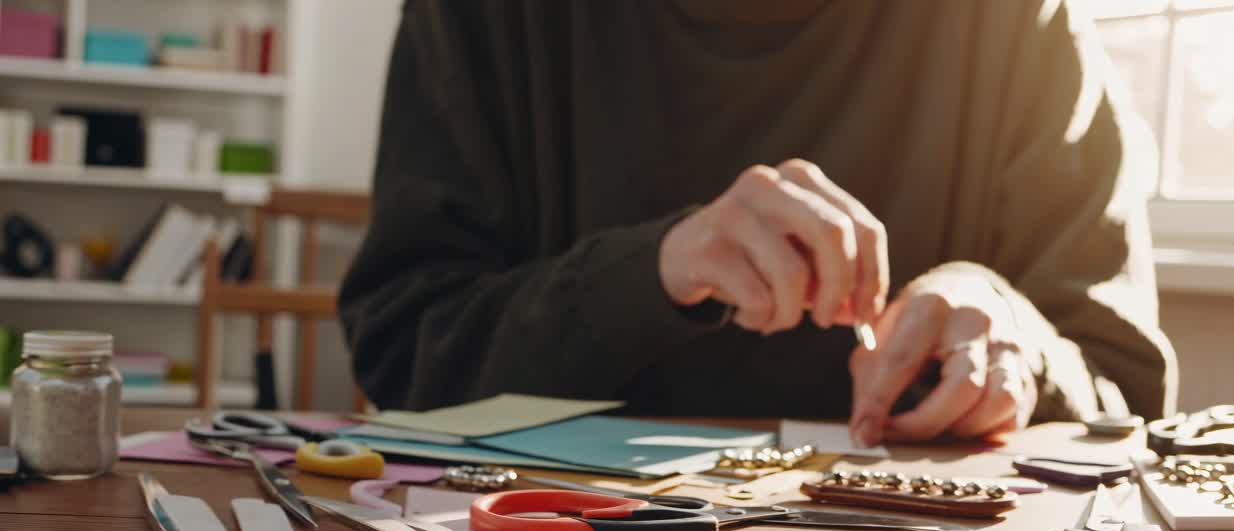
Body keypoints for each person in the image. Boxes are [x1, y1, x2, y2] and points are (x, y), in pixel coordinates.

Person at [339, 0, 1177, 448]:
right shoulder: (483, 19)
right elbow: (403, 351)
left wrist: (1014, 338)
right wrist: (649, 275)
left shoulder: (1019, 23)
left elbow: (1126, 393)